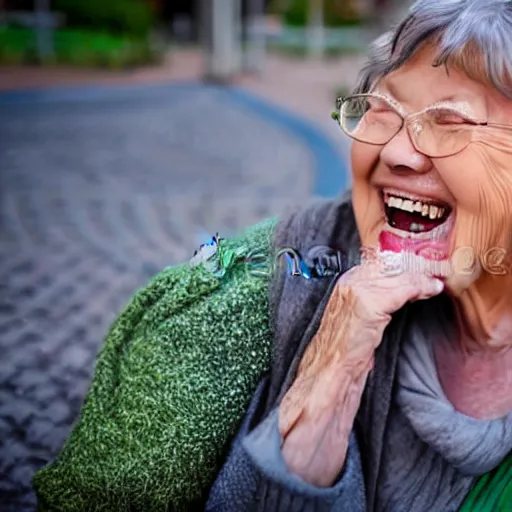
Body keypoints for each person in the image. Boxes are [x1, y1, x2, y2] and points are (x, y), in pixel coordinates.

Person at [34, 0, 511, 510]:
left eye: (450, 124)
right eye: (383, 111)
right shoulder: (236, 296)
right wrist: (327, 377)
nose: (396, 151)